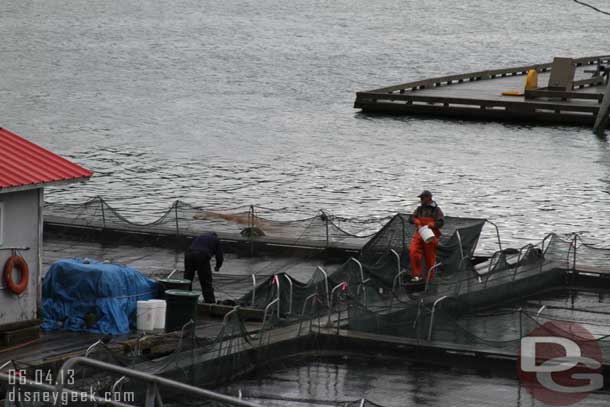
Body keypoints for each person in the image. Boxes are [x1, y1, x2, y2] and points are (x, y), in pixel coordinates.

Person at [408, 190, 444, 283]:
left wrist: (433, 224)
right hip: (419, 233)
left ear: (429, 198)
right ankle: (416, 276)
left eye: (422, 198)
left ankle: (430, 279)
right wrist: (415, 220)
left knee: (429, 257)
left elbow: (441, 222)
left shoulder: (437, 210)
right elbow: (410, 218)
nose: (421, 200)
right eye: (420, 198)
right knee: (413, 251)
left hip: (431, 234)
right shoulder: (419, 209)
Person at [184, 232, 224, 303]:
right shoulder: (216, 240)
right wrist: (217, 266)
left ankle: (186, 299)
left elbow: (192, 246)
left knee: (187, 280)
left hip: (188, 255)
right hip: (201, 256)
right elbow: (219, 257)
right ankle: (210, 303)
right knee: (206, 282)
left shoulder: (200, 236)